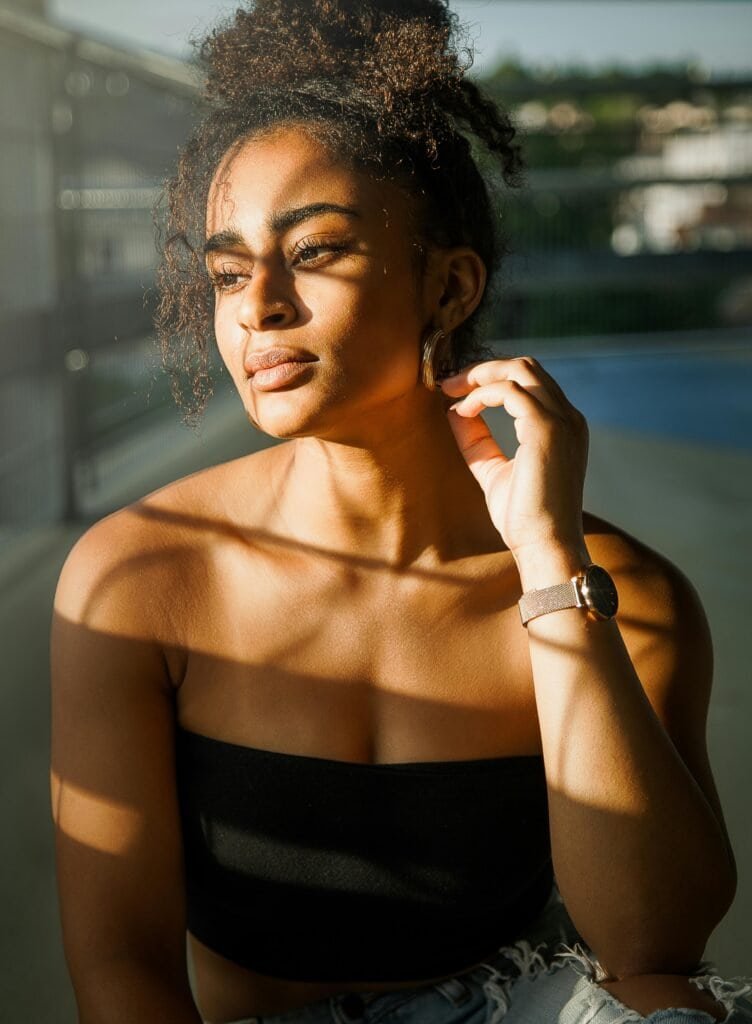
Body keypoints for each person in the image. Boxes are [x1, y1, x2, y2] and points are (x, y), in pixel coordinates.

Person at [49, 1, 752, 1022]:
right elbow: (122, 972)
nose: (259, 307)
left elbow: (653, 944)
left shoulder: (622, 589)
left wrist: (548, 565)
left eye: (318, 249)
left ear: (449, 286)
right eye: (229, 270)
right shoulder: (141, 579)